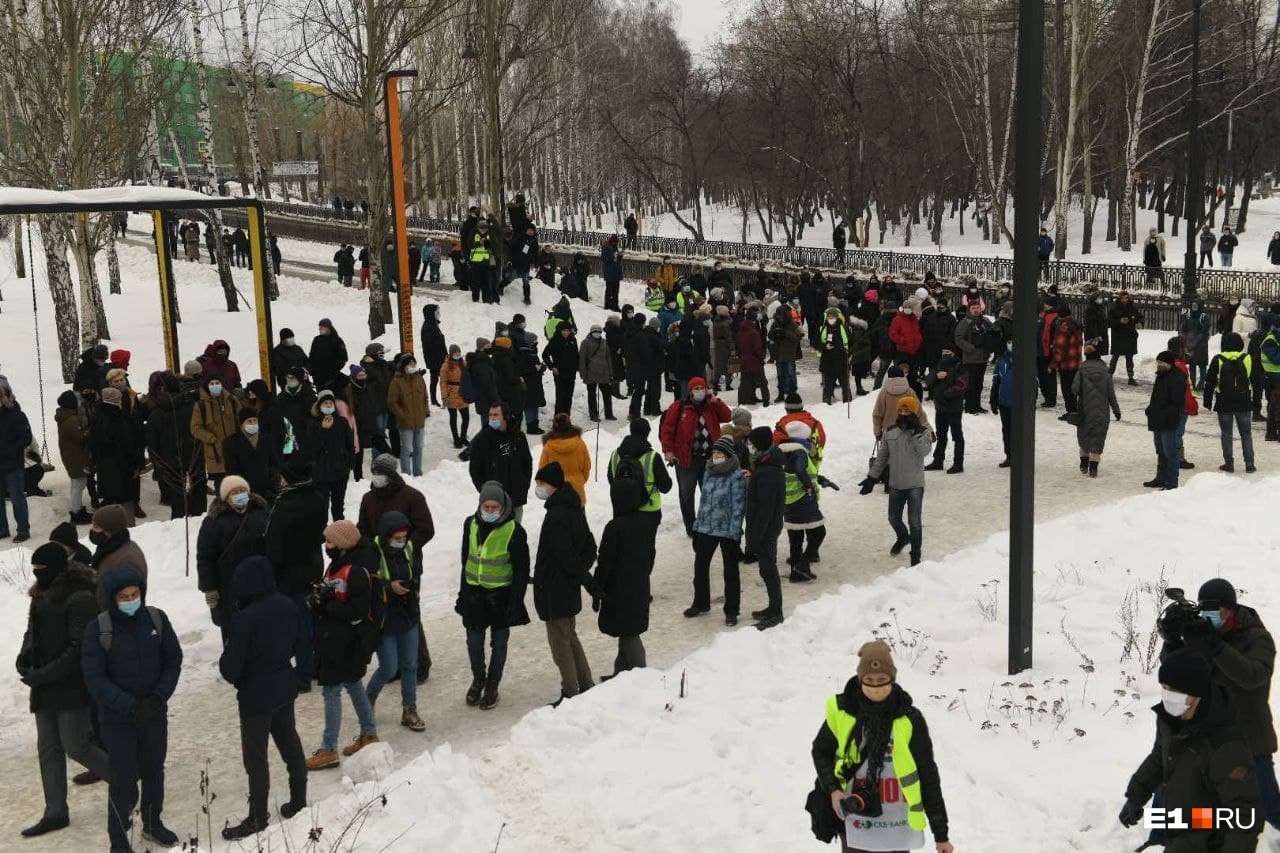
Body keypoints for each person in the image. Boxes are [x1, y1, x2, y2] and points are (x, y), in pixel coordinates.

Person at [1158, 578, 1280, 831]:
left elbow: (1252, 677)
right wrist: (1171, 641)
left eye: (1216, 610)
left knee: (1269, 807)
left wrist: (1215, 646)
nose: (1210, 616)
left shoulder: (1257, 637)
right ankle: (1161, 838)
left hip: (1247, 737)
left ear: (1231, 609)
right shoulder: (1202, 633)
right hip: (1205, 735)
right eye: (1205, 610)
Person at [808, 641, 952, 853]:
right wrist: (833, 790)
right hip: (853, 818)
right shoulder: (842, 711)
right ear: (860, 680)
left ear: (892, 680)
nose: (876, 687)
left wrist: (941, 835)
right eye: (869, 680)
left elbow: (928, 776)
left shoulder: (909, 719)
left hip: (897, 824)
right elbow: (821, 752)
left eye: (882, 680)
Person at [82, 566, 183, 852]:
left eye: (135, 594)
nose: (130, 600)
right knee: (123, 778)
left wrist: (158, 697)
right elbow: (95, 679)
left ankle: (152, 822)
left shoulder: (156, 620)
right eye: (124, 597)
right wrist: (129, 705)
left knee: (154, 770)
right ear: (113, 599)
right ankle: (118, 839)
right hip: (118, 720)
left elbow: (172, 660)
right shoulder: (98, 629)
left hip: (153, 712)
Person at [1118, 649, 1260, 850]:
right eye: (1165, 688)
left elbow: (1245, 815)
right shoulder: (1169, 719)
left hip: (1211, 835)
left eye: (1175, 691)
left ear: (1197, 693)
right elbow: (1160, 756)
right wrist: (1136, 795)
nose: (1168, 696)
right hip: (1184, 820)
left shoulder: (1225, 745)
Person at [16, 544, 110, 838]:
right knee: (48, 750)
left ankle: (124, 779)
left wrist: (42, 675)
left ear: (57, 569)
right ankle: (55, 811)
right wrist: (25, 656)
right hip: (45, 686)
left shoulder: (80, 597)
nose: (36, 575)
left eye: (40, 570)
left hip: (71, 685)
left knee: (76, 745)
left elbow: (78, 649)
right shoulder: (40, 594)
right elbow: (32, 631)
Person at [217, 555, 308, 839]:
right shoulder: (287, 604)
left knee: (256, 758)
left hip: (256, 697)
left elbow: (231, 669)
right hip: (284, 685)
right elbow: (299, 642)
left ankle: (257, 817)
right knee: (289, 742)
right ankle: (299, 800)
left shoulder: (244, 619)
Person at [306, 521, 379, 770]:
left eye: (331, 542)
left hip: (343, 642)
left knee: (331, 691)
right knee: (353, 684)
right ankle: (369, 733)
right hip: (335, 639)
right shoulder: (336, 566)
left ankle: (329, 749)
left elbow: (356, 610)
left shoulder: (356, 571)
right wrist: (319, 595)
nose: (327, 546)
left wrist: (325, 603)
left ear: (345, 544)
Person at [457, 482, 531, 711]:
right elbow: (465, 560)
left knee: (499, 644)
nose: (489, 511)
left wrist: (516, 601)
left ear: (503, 506)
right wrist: (462, 593)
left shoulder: (514, 531)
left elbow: (521, 571)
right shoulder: (470, 524)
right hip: (475, 596)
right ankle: (478, 678)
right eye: (485, 507)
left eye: (494, 507)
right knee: (473, 642)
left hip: (501, 597)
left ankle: (492, 684)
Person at [531, 462, 598, 703]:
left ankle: (570, 692)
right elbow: (589, 546)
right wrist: (580, 575)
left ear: (554, 485)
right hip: (567, 587)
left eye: (541, 483)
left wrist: (579, 577)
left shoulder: (557, 515)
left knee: (560, 644)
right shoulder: (574, 507)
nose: (538, 488)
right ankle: (585, 682)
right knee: (570, 637)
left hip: (555, 589)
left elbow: (564, 555)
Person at [265, 458, 327, 692]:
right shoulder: (318, 498)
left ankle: (302, 674)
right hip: (313, 566)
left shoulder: (285, 505)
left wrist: (272, 572)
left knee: (298, 625)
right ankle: (314, 665)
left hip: (289, 574)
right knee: (311, 619)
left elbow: (274, 544)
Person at [364, 512, 427, 732]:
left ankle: (409, 708)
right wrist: (389, 588)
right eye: (397, 538)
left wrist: (414, 589)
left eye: (404, 537)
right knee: (389, 667)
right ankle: (368, 698)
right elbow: (366, 584)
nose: (402, 542)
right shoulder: (373, 551)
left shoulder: (409, 547)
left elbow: (416, 571)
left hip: (407, 612)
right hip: (385, 617)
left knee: (410, 664)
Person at [196, 476, 269, 643]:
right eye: (234, 493)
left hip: (260, 584)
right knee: (234, 634)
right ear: (226, 497)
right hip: (229, 588)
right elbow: (205, 558)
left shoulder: (262, 513)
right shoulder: (213, 522)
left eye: (242, 491)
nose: (239, 495)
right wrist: (209, 588)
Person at [861, 397, 933, 566]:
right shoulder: (890, 431)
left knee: (914, 522)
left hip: (915, 484)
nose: (902, 414)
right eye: (900, 411)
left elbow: (924, 452)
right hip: (895, 484)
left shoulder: (923, 432)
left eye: (907, 411)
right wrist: (871, 478)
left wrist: (916, 433)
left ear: (914, 413)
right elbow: (882, 457)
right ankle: (902, 537)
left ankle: (915, 555)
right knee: (893, 518)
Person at [593, 475, 654, 673]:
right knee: (627, 630)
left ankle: (640, 676)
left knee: (629, 634)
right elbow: (650, 556)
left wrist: (597, 589)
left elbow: (605, 562)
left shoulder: (615, 527)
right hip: (639, 586)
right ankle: (621, 672)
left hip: (619, 590)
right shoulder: (645, 523)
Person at [684, 436, 746, 626]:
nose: (715, 456)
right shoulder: (708, 471)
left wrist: (735, 531)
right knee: (700, 567)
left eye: (719, 453)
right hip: (705, 528)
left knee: (730, 571)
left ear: (728, 456)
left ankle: (732, 610)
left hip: (727, 530)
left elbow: (739, 507)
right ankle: (701, 603)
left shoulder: (736, 477)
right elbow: (704, 502)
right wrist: (696, 525)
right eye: (714, 453)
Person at [661, 377, 731, 536]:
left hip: (710, 459)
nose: (699, 391)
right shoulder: (679, 408)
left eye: (702, 388)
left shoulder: (712, 406)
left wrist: (715, 400)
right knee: (687, 494)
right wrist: (668, 451)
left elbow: (727, 416)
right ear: (690, 391)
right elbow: (668, 430)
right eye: (696, 388)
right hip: (687, 459)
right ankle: (691, 527)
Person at [469, 403, 533, 521]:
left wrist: (524, 486)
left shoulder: (518, 437)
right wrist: (485, 491)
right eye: (490, 415)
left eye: (496, 415)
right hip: (493, 502)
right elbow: (475, 469)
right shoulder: (482, 439)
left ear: (505, 417)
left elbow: (527, 463)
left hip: (516, 498)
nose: (492, 418)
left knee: (515, 534)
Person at [1204, 332, 1257, 474]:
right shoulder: (1247, 358)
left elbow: (1209, 382)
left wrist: (1207, 401)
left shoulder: (1218, 359)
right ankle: (1250, 464)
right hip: (1244, 401)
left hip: (1224, 402)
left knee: (1226, 433)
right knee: (1246, 434)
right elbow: (1254, 380)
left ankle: (1229, 463)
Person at [1072, 344, 1121, 478]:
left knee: (1084, 437)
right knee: (1098, 438)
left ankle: (1083, 463)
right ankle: (1093, 468)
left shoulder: (1081, 369)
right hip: (1101, 413)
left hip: (1084, 410)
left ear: (1086, 356)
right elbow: (1111, 394)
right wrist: (1116, 411)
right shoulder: (1105, 371)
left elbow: (1074, 389)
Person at [306, 389, 356, 519]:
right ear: (319, 406)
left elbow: (350, 445)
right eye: (325, 403)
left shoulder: (342, 422)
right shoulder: (313, 424)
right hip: (321, 473)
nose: (328, 405)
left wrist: (349, 463)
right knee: (321, 507)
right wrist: (323, 430)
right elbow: (312, 449)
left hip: (340, 471)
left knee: (338, 506)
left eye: (330, 403)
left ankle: (339, 534)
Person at [88, 504, 148, 609]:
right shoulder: (109, 548)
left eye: (96, 527)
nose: (91, 529)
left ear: (110, 530)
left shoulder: (126, 559)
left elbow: (128, 600)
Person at [190, 372, 241, 493]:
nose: (215, 385)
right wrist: (211, 438)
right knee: (222, 490)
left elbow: (241, 420)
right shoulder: (201, 405)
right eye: (211, 384)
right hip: (215, 454)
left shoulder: (232, 401)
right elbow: (195, 428)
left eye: (217, 383)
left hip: (234, 452)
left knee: (237, 487)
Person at [1144, 351, 1188, 490]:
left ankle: (1171, 482)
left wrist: (1160, 411)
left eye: (1161, 363)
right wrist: (1151, 409)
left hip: (1168, 421)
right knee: (1161, 451)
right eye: (1158, 363)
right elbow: (1156, 396)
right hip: (1157, 419)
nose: (1159, 365)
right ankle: (1161, 478)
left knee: (1170, 452)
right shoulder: (1162, 375)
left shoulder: (1178, 378)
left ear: (1169, 363)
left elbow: (1176, 402)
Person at [224, 408, 281, 502]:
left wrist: (272, 485)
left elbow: (274, 464)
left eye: (255, 420)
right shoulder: (231, 443)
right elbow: (232, 471)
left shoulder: (266, 439)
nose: (253, 423)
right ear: (242, 424)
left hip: (268, 492)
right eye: (249, 421)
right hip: (245, 493)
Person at [924, 349, 967, 474]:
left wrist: (946, 394)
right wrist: (936, 376)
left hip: (954, 408)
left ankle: (958, 463)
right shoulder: (938, 366)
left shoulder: (959, 367)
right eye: (943, 352)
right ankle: (938, 461)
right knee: (941, 435)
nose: (945, 354)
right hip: (940, 407)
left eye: (947, 352)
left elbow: (962, 385)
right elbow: (928, 380)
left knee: (957, 435)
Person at [388, 353, 429, 477]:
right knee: (406, 450)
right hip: (405, 423)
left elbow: (424, 397)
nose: (413, 366)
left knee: (419, 449)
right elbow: (392, 402)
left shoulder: (419, 378)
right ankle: (406, 474)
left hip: (419, 421)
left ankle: (418, 473)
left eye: (414, 363)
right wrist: (402, 415)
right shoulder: (397, 381)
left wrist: (425, 411)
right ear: (404, 366)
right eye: (410, 364)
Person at [538, 412, 591, 506]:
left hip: (555, 493)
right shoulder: (580, 443)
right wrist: (581, 480)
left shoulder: (548, 447)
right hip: (577, 491)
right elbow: (587, 466)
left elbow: (542, 471)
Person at [55, 390, 92, 525]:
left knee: (76, 484)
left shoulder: (65, 416)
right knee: (79, 484)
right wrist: (89, 431)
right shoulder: (71, 420)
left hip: (72, 456)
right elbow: (80, 438)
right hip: (76, 457)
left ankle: (76, 508)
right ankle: (76, 512)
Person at [625, 315, 665, 418]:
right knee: (640, 390)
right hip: (642, 366)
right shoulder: (641, 335)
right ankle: (634, 413)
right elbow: (646, 352)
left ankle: (634, 412)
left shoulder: (630, 332)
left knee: (638, 390)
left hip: (632, 365)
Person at [1048, 303, 1084, 416]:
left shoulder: (1063, 327)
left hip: (1066, 364)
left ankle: (1071, 412)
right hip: (1076, 362)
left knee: (1067, 389)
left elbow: (1060, 348)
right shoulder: (1076, 325)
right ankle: (1075, 410)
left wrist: (1052, 364)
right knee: (1074, 388)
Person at [1107, 290, 1144, 385]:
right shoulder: (1114, 308)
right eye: (1123, 298)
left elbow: (1139, 317)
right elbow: (1109, 322)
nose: (1125, 300)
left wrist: (1139, 322)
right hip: (1118, 336)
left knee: (1129, 357)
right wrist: (1119, 321)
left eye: (1126, 298)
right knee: (1115, 356)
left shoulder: (1132, 307)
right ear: (1119, 298)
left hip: (1130, 336)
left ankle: (1131, 378)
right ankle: (1109, 376)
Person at [770, 304, 803, 400]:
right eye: (778, 315)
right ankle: (781, 393)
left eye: (781, 315)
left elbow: (798, 337)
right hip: (779, 353)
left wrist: (785, 333)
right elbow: (770, 335)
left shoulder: (792, 324)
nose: (779, 317)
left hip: (789, 353)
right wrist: (775, 333)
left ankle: (792, 392)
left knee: (790, 373)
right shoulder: (775, 323)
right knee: (780, 374)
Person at [440, 344, 471, 448]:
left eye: (459, 352)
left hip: (462, 393)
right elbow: (443, 382)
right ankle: (456, 438)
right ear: (451, 353)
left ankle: (463, 437)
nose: (458, 354)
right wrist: (444, 396)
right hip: (451, 393)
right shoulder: (445, 366)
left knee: (466, 417)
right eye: (455, 353)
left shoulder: (463, 363)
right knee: (453, 417)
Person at [419, 304, 448, 407]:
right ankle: (436, 400)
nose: (439, 314)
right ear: (431, 314)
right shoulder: (429, 327)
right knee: (438, 379)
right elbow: (429, 346)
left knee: (437, 379)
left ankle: (437, 399)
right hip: (435, 359)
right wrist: (440, 356)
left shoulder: (434, 325)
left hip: (439, 358)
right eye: (436, 312)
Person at [308, 319, 349, 390]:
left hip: (333, 377)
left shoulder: (337, 340)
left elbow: (344, 358)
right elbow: (311, 356)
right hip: (318, 377)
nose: (320, 329)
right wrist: (313, 371)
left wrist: (334, 370)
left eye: (322, 328)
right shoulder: (317, 340)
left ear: (329, 328)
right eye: (320, 328)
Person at [1181, 299, 1212, 389]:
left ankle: (1201, 383)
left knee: (1202, 366)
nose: (1194, 307)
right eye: (1193, 305)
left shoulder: (1203, 316)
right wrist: (1186, 339)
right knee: (1192, 365)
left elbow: (1205, 330)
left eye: (1196, 306)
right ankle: (1192, 384)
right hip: (1191, 345)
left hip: (1201, 346)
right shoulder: (1188, 316)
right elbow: (1184, 328)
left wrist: (1195, 340)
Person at [601, 235, 623, 312]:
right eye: (614, 242)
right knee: (609, 290)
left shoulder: (615, 247)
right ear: (611, 241)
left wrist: (619, 256)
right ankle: (607, 305)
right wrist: (613, 257)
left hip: (616, 272)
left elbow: (617, 260)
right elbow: (604, 259)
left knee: (616, 291)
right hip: (610, 273)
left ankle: (615, 305)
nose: (615, 243)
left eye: (616, 242)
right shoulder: (606, 247)